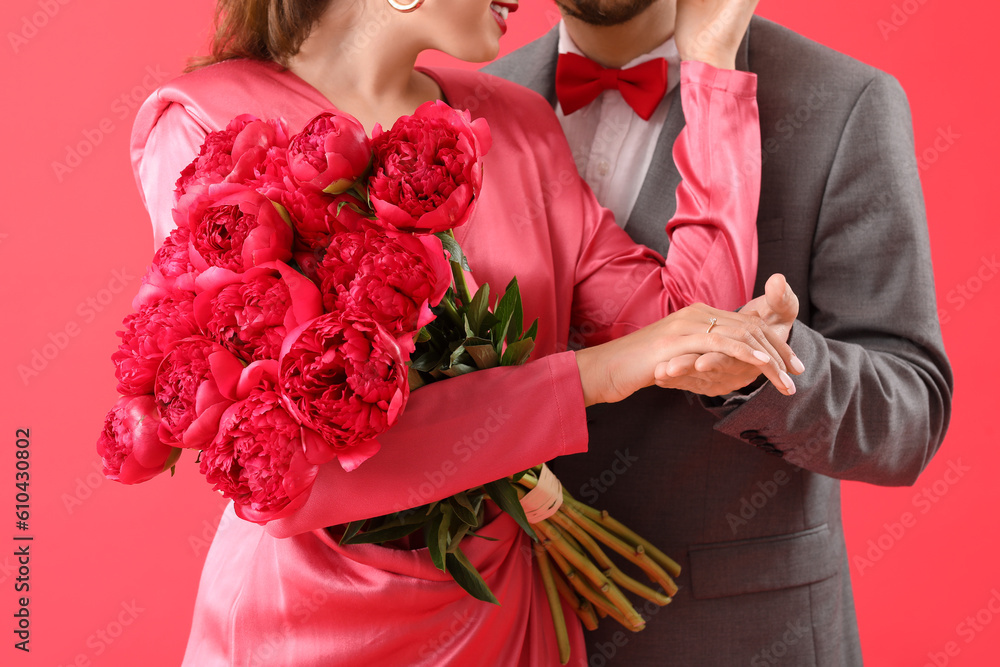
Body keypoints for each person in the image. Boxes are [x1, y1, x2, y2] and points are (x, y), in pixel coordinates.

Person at [129, 0, 793, 664]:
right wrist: (600, 373)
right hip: (300, 630)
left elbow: (693, 326)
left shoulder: (513, 123)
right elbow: (294, 474)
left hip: (503, 621)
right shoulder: (206, 126)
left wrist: (711, 63)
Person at [483, 1, 955, 664]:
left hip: (739, 637)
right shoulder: (462, 103)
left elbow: (911, 414)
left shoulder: (844, 102)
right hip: (500, 629)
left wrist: (767, 367)